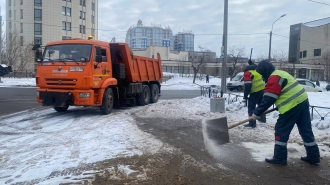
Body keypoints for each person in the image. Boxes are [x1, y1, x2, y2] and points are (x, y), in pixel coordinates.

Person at [250, 60, 320, 165]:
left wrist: (256, 113)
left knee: (281, 130)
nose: (261, 76)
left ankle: (279, 158)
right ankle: (313, 156)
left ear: (264, 71)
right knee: (306, 130)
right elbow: (284, 91)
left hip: (292, 105)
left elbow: (270, 97)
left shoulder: (274, 78)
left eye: (261, 73)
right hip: (302, 101)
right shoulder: (281, 73)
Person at [243, 60, 266, 128]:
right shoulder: (256, 71)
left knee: (251, 108)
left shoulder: (247, 73)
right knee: (261, 105)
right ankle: (262, 119)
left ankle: (252, 123)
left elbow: (248, 85)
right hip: (262, 90)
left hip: (254, 92)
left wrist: (245, 96)